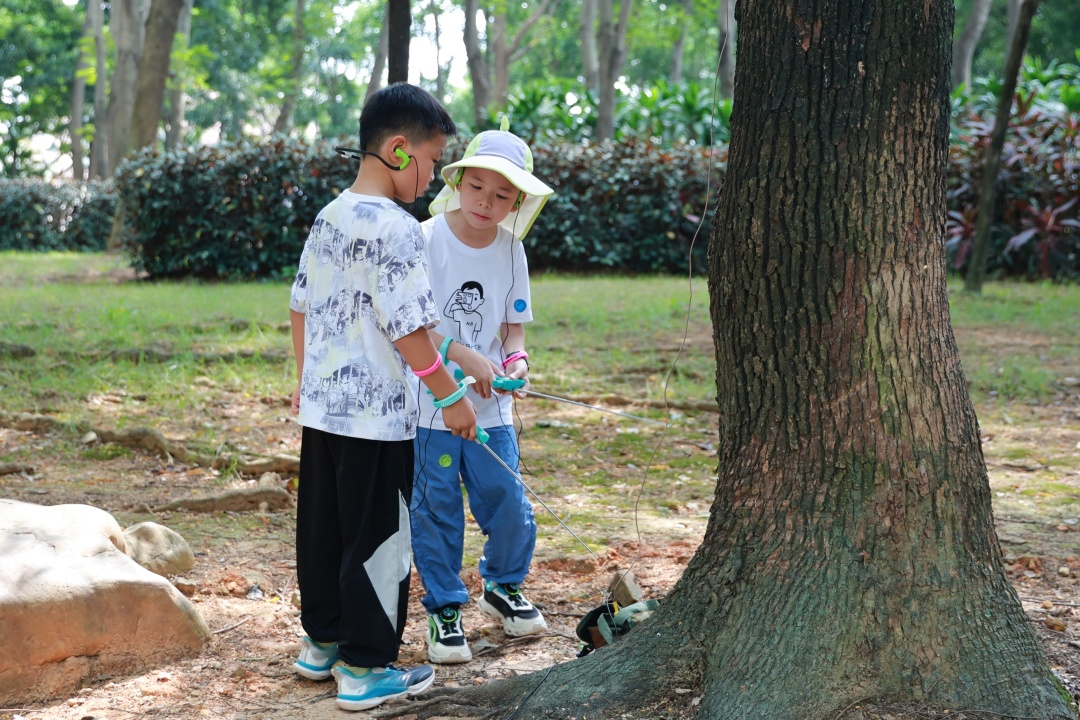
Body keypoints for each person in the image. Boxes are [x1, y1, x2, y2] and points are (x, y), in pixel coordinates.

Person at [288, 82, 478, 712]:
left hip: (322, 415)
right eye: (432, 161)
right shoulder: (399, 229)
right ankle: (366, 666)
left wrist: (307, 380)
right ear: (398, 151)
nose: (433, 177)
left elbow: (300, 307)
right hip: (375, 425)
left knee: (322, 530)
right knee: (378, 540)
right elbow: (411, 331)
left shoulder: (330, 215)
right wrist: (450, 398)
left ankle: (322, 642)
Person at [410, 123, 555, 664]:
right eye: (476, 187)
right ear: (457, 182)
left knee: (509, 502)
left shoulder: (511, 250)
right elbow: (412, 326)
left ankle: (503, 585)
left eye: (501, 195)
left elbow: (513, 330)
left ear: (517, 202)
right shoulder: (424, 239)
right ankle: (445, 609)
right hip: (430, 410)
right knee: (437, 509)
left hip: (493, 410)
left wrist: (516, 361)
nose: (485, 203)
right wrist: (465, 358)